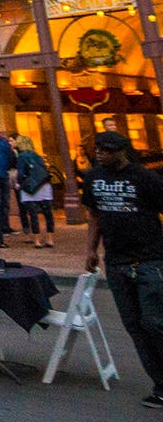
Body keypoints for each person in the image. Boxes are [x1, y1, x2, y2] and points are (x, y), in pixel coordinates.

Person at [82, 131, 163, 408]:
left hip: (150, 260)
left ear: (122, 151)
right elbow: (94, 216)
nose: (100, 154)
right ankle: (161, 385)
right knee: (135, 326)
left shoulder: (145, 178)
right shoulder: (93, 178)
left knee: (155, 323)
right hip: (116, 262)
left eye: (107, 149)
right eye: (97, 149)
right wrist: (92, 250)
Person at [14, 136, 54, 248]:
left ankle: (37, 240)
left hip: (31, 188)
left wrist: (18, 183)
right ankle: (50, 238)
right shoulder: (37, 156)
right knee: (48, 214)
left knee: (33, 214)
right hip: (43, 186)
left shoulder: (22, 156)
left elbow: (21, 173)